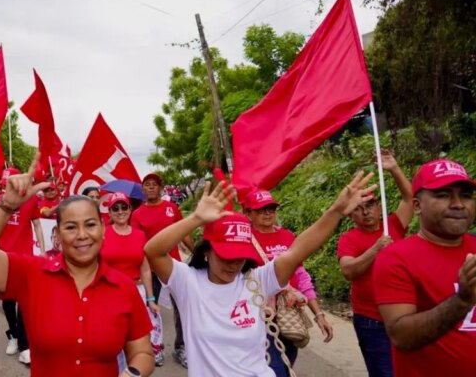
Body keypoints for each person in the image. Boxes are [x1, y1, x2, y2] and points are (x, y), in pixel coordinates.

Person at [145, 173, 375, 376]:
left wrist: (335, 211)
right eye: (226, 255)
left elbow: (298, 250)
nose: (234, 264)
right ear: (206, 251)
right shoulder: (187, 282)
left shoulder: (256, 280)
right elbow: (153, 251)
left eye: (240, 256)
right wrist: (196, 219)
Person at [0, 157, 155, 376]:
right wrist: (7, 206)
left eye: (90, 225)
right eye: (71, 227)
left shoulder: (124, 287)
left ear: (103, 229)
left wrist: (131, 374)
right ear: (57, 234)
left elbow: (143, 353)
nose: (82, 235)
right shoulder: (32, 273)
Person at [374, 159, 476, 376]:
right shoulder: (395, 259)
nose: (458, 204)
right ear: (417, 206)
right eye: (443, 195)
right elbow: (401, 336)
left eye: (466, 195)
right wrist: (462, 300)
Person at [337, 150, 412, 376]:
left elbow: (410, 199)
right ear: (351, 215)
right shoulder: (348, 239)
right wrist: (376, 249)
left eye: (370, 205)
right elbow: (348, 270)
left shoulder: (394, 225)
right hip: (371, 321)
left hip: (405, 315)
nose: (366, 212)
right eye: (358, 208)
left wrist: (394, 169)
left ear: (378, 206)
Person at [244, 189, 334, 376]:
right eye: (261, 209)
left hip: (289, 315)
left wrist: (318, 315)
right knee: (275, 370)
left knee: (287, 363)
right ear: (248, 213)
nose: (268, 213)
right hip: (260, 316)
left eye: (271, 208)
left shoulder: (287, 237)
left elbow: (302, 277)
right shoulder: (243, 240)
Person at [131, 172, 192, 368]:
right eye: (147, 184)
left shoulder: (171, 208)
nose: (150, 187)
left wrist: (199, 253)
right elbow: (136, 244)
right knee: (151, 311)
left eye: (154, 184)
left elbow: (184, 233)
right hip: (152, 270)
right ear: (143, 189)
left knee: (182, 309)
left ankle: (180, 347)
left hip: (175, 269)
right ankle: (153, 349)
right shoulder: (138, 214)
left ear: (160, 188)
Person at [0, 167, 43, 364]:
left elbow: (37, 224)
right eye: (6, 181)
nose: (9, 185)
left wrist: (42, 250)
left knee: (24, 300)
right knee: (7, 299)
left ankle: (25, 345)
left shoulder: (32, 199)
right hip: (2, 256)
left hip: (24, 255)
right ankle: (14, 336)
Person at [101, 192, 165, 367]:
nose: (120, 211)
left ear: (130, 209)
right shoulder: (102, 234)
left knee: (136, 337)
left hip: (136, 291)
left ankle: (133, 368)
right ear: (110, 212)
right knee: (113, 336)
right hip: (110, 291)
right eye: (116, 208)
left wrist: (150, 299)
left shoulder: (139, 235)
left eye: (124, 207)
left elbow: (144, 269)